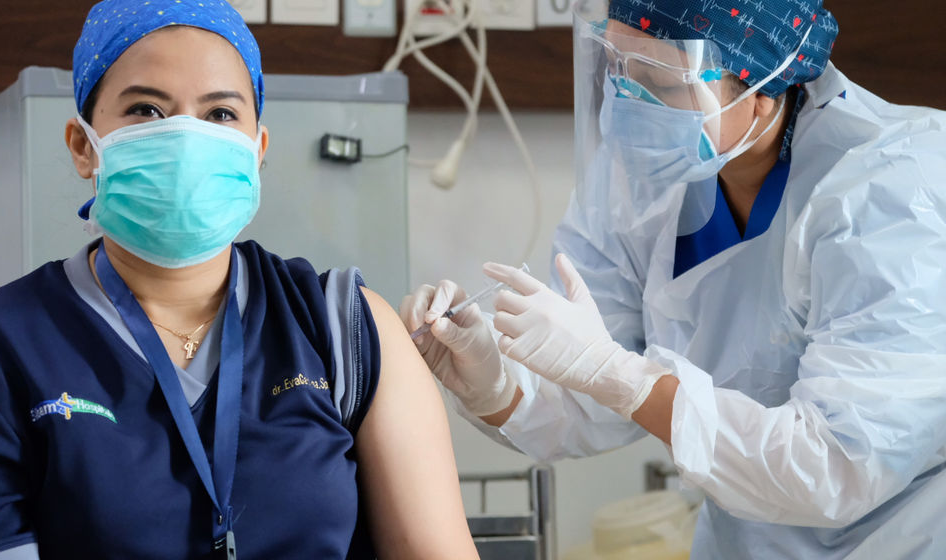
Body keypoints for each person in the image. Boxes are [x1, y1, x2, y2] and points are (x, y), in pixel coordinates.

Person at [400, 0, 946, 557]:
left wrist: (618, 375)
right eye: (618, 70)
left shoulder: (893, 198)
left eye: (661, 83)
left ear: (762, 90)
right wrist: (491, 375)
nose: (630, 104)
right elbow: (590, 375)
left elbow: (837, 467)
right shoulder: (644, 177)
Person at [0, 1, 480, 559]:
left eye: (221, 114)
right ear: (84, 147)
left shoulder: (343, 330)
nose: (184, 138)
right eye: (146, 110)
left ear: (258, 149)